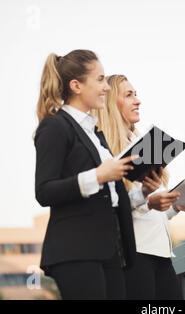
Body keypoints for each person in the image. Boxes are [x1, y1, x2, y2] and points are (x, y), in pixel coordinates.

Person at [92, 74, 185, 299]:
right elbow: (112, 207)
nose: (138, 101)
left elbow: (152, 213)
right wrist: (146, 197)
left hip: (162, 254)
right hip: (133, 255)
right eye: (128, 95)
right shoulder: (104, 152)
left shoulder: (141, 146)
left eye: (136, 94)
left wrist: (176, 206)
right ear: (110, 102)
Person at [34, 50, 138, 299]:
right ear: (76, 85)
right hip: (75, 251)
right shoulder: (55, 126)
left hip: (109, 250)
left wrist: (144, 193)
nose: (106, 87)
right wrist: (98, 176)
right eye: (100, 79)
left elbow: (109, 197)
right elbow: (44, 190)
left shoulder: (96, 134)